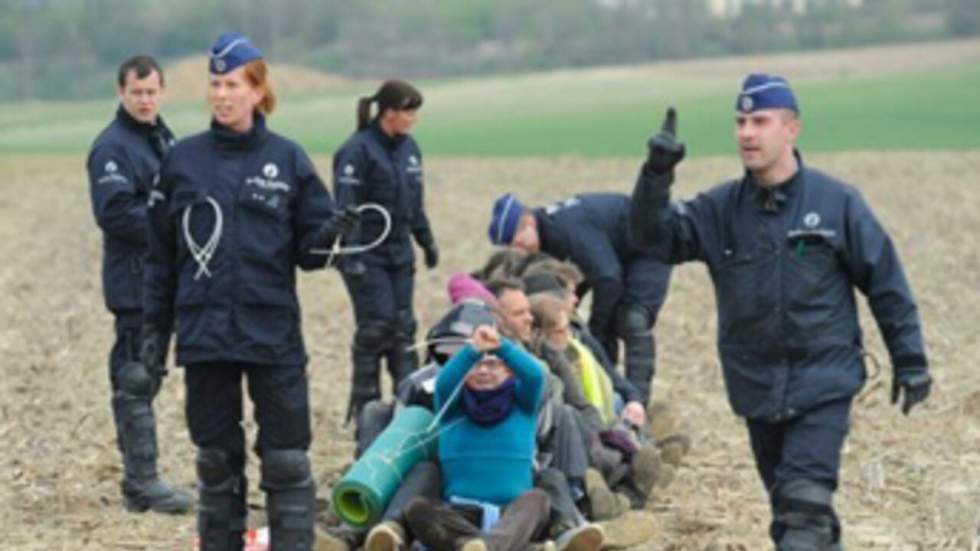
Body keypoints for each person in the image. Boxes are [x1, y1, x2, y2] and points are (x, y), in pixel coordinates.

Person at [629, 73, 932, 550]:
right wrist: (655, 177)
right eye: (740, 121)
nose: (747, 132)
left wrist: (910, 359)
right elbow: (653, 240)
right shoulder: (719, 210)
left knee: (803, 509)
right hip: (755, 389)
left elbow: (887, 284)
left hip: (823, 384)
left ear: (791, 128)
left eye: (760, 121)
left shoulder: (837, 204)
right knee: (793, 518)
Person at [142, 33, 359, 551]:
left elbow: (310, 254)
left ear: (258, 91)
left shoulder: (288, 160)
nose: (221, 94)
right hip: (205, 332)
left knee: (286, 461)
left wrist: (329, 236)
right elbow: (159, 257)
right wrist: (152, 333)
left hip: (272, 333)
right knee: (216, 461)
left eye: (233, 84)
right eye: (215, 84)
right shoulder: (183, 161)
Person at [86, 54, 191, 514]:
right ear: (121, 93)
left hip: (163, 280)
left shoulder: (164, 139)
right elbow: (115, 214)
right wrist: (170, 226)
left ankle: (141, 477)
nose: (145, 100)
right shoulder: (112, 147)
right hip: (133, 283)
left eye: (152, 92)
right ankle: (141, 483)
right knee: (135, 378)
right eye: (137, 93)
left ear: (162, 92)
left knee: (149, 378)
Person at [403, 324, 586, 551]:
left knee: (538, 499)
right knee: (417, 509)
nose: (483, 371)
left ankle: (482, 547)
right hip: (461, 514)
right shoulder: (453, 407)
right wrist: (472, 351)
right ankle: (485, 546)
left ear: (509, 370)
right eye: (476, 366)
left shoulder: (523, 404)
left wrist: (501, 346)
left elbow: (534, 376)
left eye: (492, 365)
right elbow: (445, 382)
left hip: (513, 513)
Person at [487, 190, 672, 406]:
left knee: (631, 320)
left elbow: (607, 278)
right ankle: (611, 389)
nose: (518, 251)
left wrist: (596, 327)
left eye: (516, 243)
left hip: (649, 244)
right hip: (613, 253)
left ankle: (638, 403)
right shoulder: (546, 235)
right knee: (586, 324)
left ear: (528, 222)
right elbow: (577, 279)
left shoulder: (564, 231)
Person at [333, 79, 439, 421]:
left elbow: (415, 202)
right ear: (390, 113)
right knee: (376, 327)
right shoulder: (357, 150)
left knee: (403, 328)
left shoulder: (410, 150)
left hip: (399, 252)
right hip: (368, 254)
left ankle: (406, 408)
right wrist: (353, 255)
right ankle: (366, 408)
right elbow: (346, 209)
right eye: (410, 113)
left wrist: (426, 240)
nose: (414, 120)